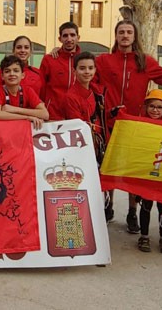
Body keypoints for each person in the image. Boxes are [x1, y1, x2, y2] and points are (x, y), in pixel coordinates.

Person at [95, 20, 162, 234]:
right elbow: (86, 76)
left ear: (135, 36)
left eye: (129, 32)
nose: (125, 35)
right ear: (115, 35)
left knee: (132, 170)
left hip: (135, 125)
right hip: (109, 122)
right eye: (121, 32)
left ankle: (132, 211)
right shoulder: (103, 60)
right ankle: (107, 204)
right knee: (108, 166)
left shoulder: (145, 61)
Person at [55, 52, 110, 220]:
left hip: (99, 146)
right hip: (83, 149)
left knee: (100, 186)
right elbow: (77, 127)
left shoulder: (97, 92)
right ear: (75, 70)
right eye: (82, 68)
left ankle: (99, 217)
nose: (87, 72)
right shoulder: (71, 97)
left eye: (91, 68)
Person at [135, 89, 162, 255]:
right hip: (146, 173)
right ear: (146, 107)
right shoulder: (139, 124)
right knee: (146, 205)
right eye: (152, 106)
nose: (155, 110)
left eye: (160, 107)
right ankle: (144, 236)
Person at [0, 55, 49, 129]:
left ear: (23, 75)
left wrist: (13, 109)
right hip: (3, 132)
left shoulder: (28, 90)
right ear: (2, 76)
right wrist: (27, 117)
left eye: (16, 71)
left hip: (21, 133)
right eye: (7, 71)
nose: (12, 74)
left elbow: (45, 114)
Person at [40, 22, 81, 120]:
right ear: (60, 39)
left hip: (77, 114)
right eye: (65, 36)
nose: (69, 39)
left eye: (72, 35)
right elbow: (41, 87)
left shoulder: (84, 61)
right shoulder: (49, 59)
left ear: (78, 37)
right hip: (54, 115)